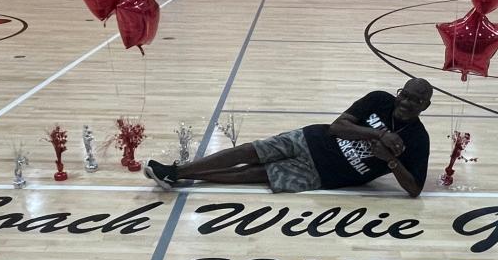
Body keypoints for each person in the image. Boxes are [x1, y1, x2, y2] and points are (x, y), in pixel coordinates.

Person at [144, 78, 432, 198]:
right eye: (405, 95)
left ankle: (182, 180)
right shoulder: (379, 100)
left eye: (415, 100)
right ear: (399, 93)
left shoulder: (418, 140)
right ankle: (176, 171)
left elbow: (415, 189)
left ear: (424, 106)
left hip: (324, 173)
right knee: (250, 150)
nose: (407, 102)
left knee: (254, 175)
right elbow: (337, 127)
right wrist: (378, 133)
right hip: (312, 139)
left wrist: (391, 161)